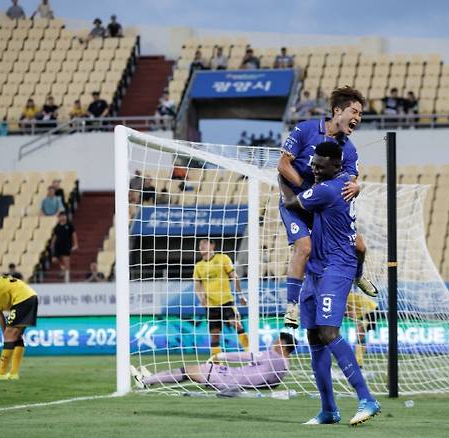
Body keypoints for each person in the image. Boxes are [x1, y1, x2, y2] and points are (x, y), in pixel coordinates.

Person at [280, 142, 381, 426]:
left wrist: (281, 177)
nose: (313, 167)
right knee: (313, 337)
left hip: (336, 267)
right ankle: (328, 410)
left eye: (319, 164)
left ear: (335, 166)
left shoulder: (327, 189)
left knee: (328, 330)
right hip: (318, 266)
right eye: (312, 162)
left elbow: (291, 203)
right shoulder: (341, 184)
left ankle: (367, 399)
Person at [277, 86, 377, 329]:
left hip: (321, 207)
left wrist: (357, 187)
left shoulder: (349, 150)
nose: (357, 118)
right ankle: (292, 308)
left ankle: (358, 274)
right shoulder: (306, 129)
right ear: (337, 111)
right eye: (354, 111)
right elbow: (283, 164)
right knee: (305, 247)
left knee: (359, 245)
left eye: (360, 114)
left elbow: (350, 181)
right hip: (296, 204)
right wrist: (304, 190)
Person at [131, 332, 295, 391]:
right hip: (235, 381)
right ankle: (152, 379)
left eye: (277, 341)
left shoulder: (272, 356)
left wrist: (220, 356)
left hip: (229, 378)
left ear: (281, 345)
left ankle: (145, 381)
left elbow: (244, 356)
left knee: (186, 370)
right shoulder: (283, 370)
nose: (274, 342)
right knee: (189, 373)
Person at [193, 238, 249, 357]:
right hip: (211, 305)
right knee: (214, 335)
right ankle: (217, 364)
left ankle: (250, 353)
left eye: (204, 243)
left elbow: (234, 277)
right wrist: (201, 298)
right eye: (200, 245)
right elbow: (197, 286)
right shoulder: (198, 266)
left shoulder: (223, 258)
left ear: (212, 245)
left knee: (236, 323)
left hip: (226, 301)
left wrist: (241, 296)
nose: (201, 246)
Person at [345, 292, 378, 367]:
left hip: (370, 311)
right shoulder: (346, 296)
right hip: (366, 310)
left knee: (359, 334)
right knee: (360, 335)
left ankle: (358, 362)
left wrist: (347, 314)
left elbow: (352, 313)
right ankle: (359, 361)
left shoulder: (345, 297)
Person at [51, 211, 78, 282]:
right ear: (59, 218)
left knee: (67, 263)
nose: (62, 218)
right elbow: (55, 236)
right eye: (61, 216)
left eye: (64, 216)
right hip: (58, 247)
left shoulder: (69, 225)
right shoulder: (57, 226)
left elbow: (74, 234)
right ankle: (61, 266)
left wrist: (75, 244)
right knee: (54, 260)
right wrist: (52, 243)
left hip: (66, 246)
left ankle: (67, 279)